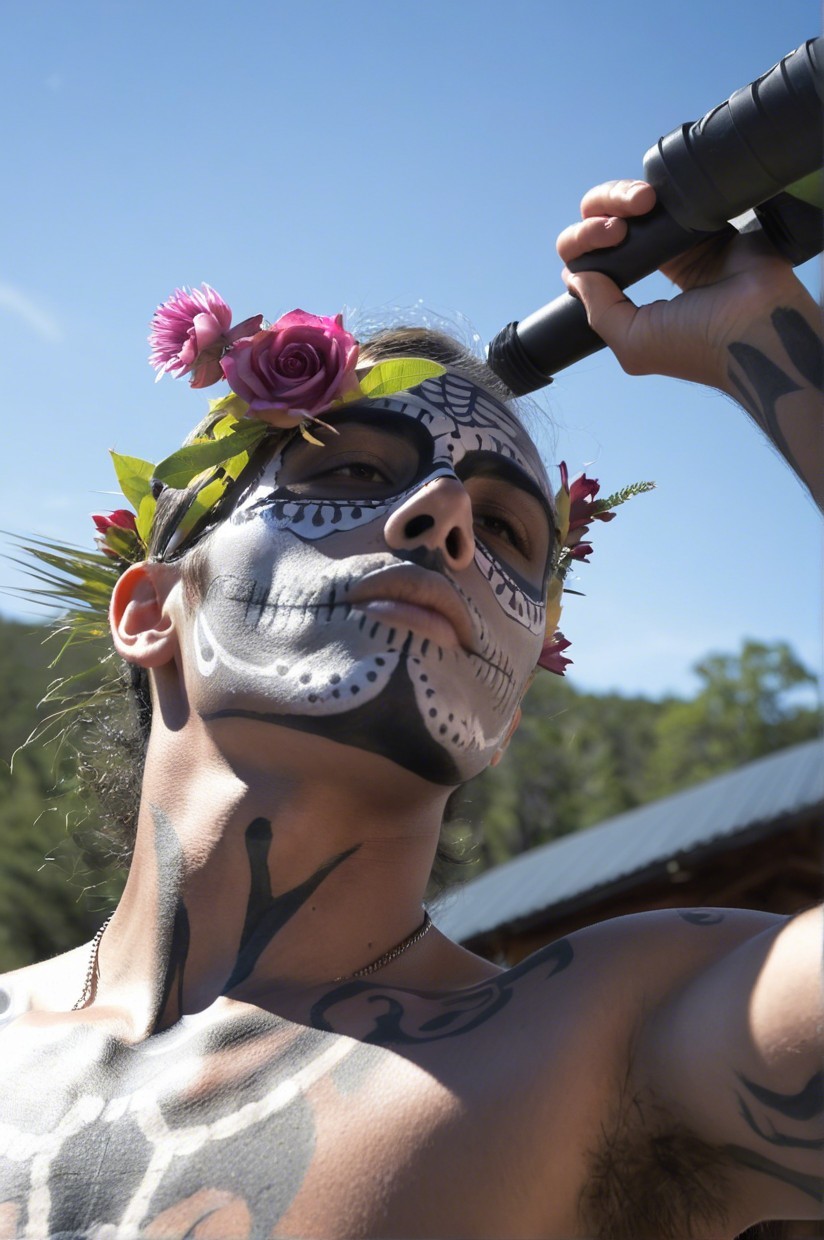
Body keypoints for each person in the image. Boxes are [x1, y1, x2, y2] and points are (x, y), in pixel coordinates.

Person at [0, 180, 821, 1240]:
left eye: (507, 532)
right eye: (349, 469)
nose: (441, 516)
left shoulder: (613, 1046)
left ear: (509, 707)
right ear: (151, 609)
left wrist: (766, 333)